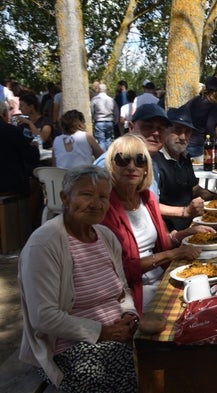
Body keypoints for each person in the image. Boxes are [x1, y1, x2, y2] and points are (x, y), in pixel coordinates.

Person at [19, 165, 138, 392]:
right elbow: (44, 317)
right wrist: (104, 332)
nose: (96, 203)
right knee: (138, 378)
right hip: (68, 349)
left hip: (117, 337)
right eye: (86, 194)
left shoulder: (105, 236)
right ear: (65, 197)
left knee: (165, 361)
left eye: (103, 197)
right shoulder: (44, 244)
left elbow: (122, 290)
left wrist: (130, 316)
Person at [101, 134, 208, 313]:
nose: (131, 166)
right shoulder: (105, 208)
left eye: (140, 160)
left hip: (162, 280)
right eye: (123, 160)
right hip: (133, 294)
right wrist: (174, 254)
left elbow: (162, 243)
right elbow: (120, 271)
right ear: (111, 165)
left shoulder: (146, 198)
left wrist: (186, 234)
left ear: (146, 168)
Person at [153, 108, 217, 231]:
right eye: (177, 130)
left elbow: (192, 190)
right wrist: (185, 211)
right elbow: (151, 206)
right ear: (164, 131)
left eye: (187, 132)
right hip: (170, 233)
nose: (183, 137)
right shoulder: (155, 161)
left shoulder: (185, 156)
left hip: (192, 225)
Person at [0, 100, 39, 195]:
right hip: (11, 184)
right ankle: (34, 210)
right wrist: (34, 147)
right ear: (4, 113)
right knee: (38, 180)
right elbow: (30, 157)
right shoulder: (11, 130)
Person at [181, 76, 217, 157]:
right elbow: (210, 126)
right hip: (200, 145)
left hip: (187, 142)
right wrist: (214, 143)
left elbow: (180, 112)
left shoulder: (195, 100)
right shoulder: (214, 104)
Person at [90, 83, 119, 151]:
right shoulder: (111, 100)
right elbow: (116, 112)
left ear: (98, 90)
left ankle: (102, 157)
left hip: (99, 121)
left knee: (101, 141)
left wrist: (92, 119)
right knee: (108, 140)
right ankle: (109, 156)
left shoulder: (95, 99)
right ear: (105, 90)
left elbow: (91, 111)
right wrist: (116, 121)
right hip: (110, 122)